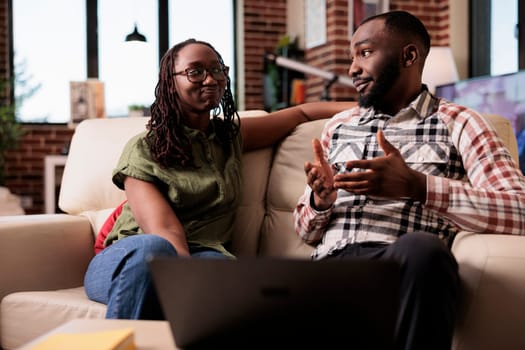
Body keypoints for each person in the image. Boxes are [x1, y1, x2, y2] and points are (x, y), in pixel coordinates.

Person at [294, 10, 525, 350]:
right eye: (352, 56)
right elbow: (304, 230)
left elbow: (519, 209)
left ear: (409, 56)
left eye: (365, 52)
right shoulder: (338, 126)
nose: (352, 69)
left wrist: (419, 186)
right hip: (329, 275)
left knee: (423, 250)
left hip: (401, 271)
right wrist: (320, 201)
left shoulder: (460, 122)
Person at [83, 38, 356, 320]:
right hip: (130, 259)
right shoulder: (143, 148)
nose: (210, 79)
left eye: (217, 70)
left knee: (225, 272)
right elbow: (164, 231)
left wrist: (367, 106)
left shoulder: (229, 137)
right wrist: (188, 286)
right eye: (195, 71)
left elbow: (301, 113)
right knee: (156, 250)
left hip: (202, 254)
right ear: (169, 81)